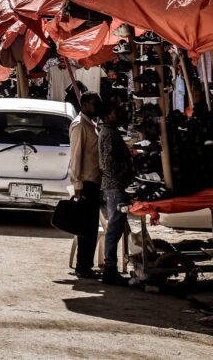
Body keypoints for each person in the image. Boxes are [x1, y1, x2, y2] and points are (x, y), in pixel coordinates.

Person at [98, 102, 134, 285]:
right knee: (114, 227)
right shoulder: (109, 134)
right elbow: (107, 163)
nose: (118, 115)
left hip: (115, 185)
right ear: (106, 115)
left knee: (116, 226)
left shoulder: (110, 132)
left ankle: (111, 267)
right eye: (115, 112)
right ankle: (110, 268)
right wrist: (127, 170)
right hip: (115, 186)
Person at [69, 92, 103, 279]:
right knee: (86, 227)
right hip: (86, 182)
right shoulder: (80, 126)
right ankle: (83, 267)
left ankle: (85, 265)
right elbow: (76, 156)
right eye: (94, 103)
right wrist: (77, 183)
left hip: (94, 181)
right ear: (85, 104)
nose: (97, 107)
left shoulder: (91, 124)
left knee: (90, 227)